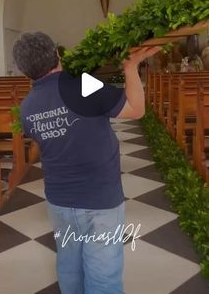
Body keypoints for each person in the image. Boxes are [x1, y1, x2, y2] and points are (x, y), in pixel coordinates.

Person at [12, 32, 161, 294]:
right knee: (103, 273)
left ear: (25, 71)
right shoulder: (81, 84)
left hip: (59, 201)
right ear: (57, 54)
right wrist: (130, 66)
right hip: (100, 199)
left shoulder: (27, 108)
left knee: (69, 264)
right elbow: (136, 109)